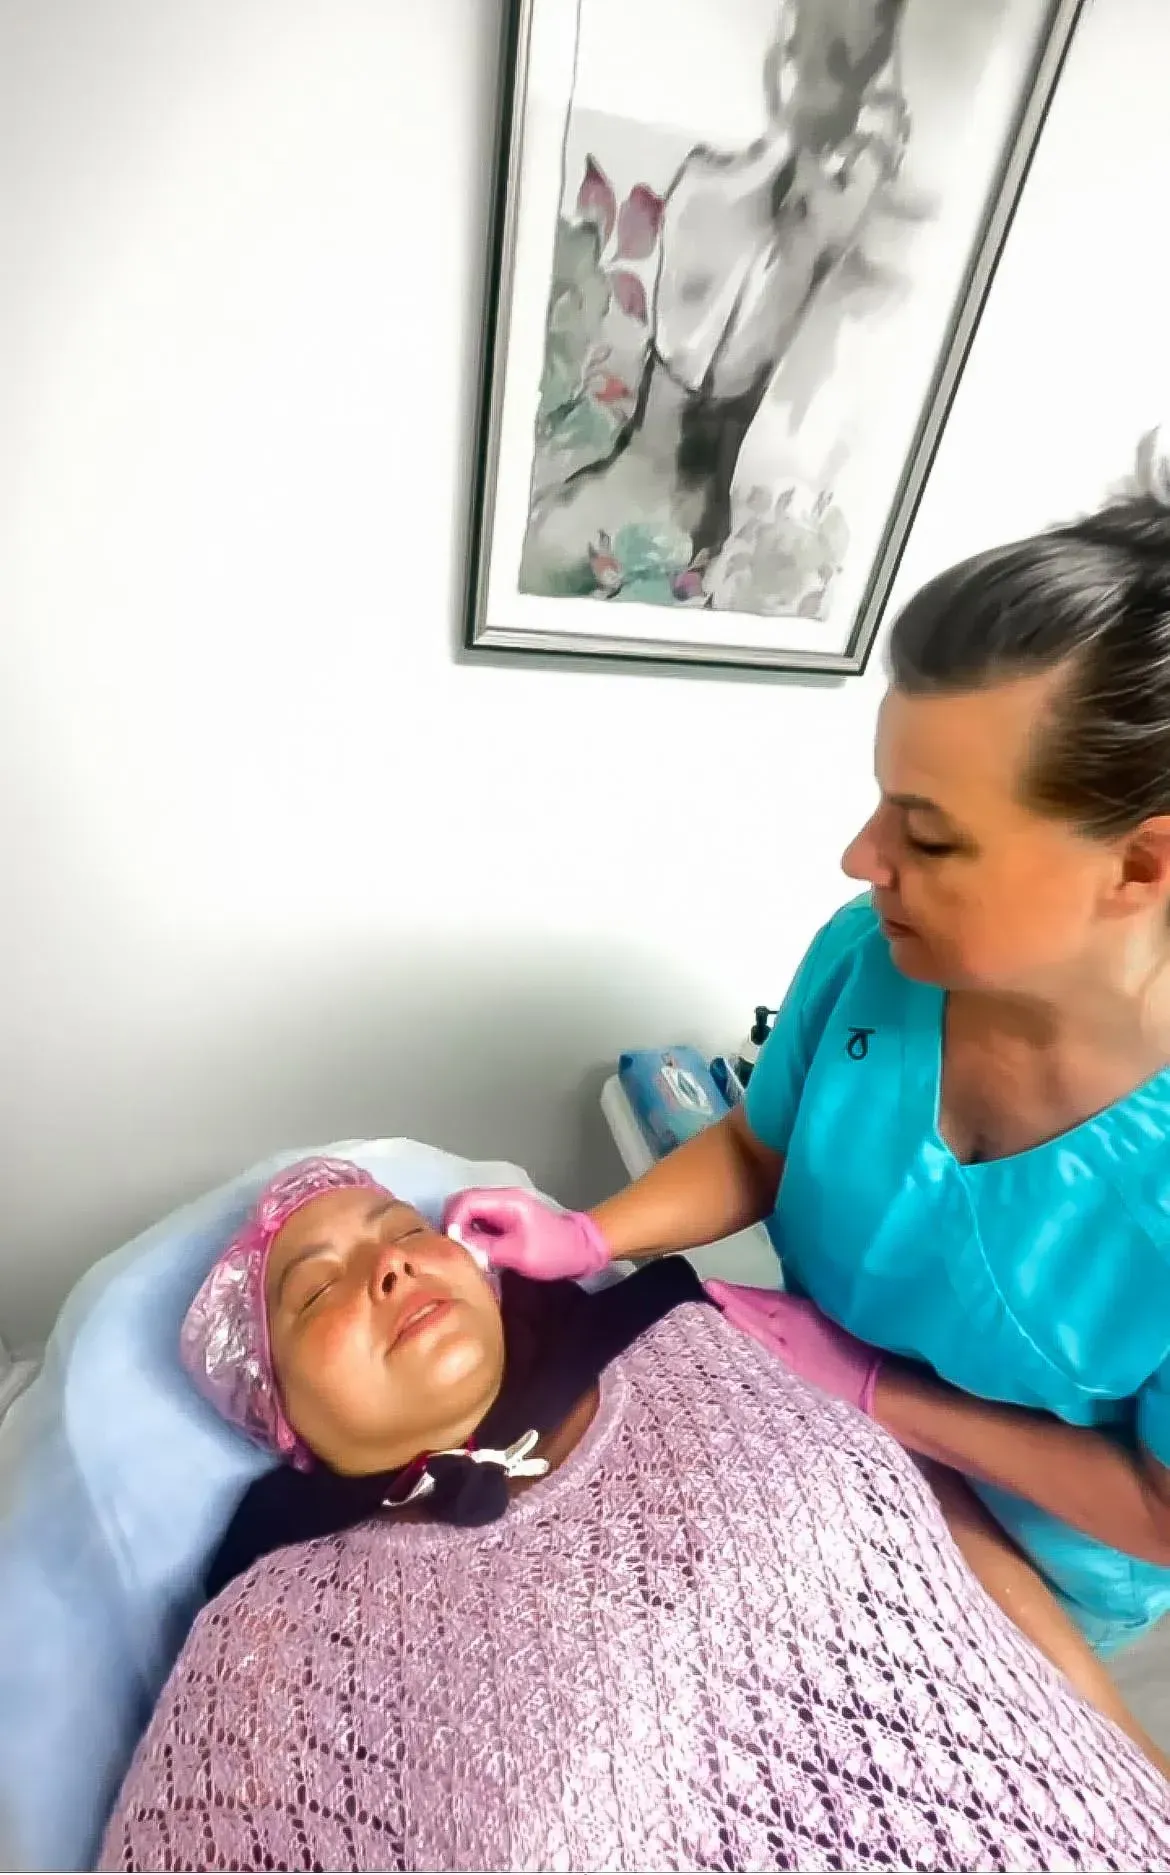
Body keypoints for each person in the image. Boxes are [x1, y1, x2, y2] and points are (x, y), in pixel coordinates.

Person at [448, 494, 1170, 1668]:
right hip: (805, 1444)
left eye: (928, 838)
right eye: (884, 801)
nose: (861, 858)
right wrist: (589, 1237)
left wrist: (886, 1395)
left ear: (1139, 865)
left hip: (1036, 1561)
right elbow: (757, 1147)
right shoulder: (870, 957)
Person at [102, 1158, 1170, 1873]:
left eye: (401, 1230)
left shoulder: (696, 1341)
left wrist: (1136, 1766)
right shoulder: (269, 1637)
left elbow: (953, 1563)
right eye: (315, 1288)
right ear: (277, 1407)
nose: (388, 1262)